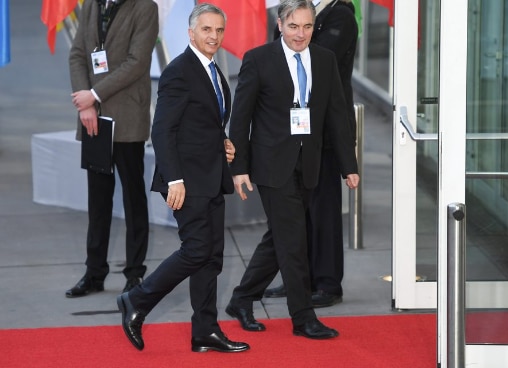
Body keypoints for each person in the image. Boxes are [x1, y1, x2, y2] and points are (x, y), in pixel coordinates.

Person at [116, 3, 249, 353]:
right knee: (196, 250)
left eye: (219, 30)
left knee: (212, 256)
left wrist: (223, 144)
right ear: (191, 32)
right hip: (186, 182)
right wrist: (174, 179)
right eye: (206, 30)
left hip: (210, 175)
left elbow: (203, 123)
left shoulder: (213, 71)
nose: (214, 37)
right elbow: (162, 130)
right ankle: (137, 300)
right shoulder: (179, 71)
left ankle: (205, 331)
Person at [225, 0, 360, 339]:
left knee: (282, 237)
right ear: (281, 25)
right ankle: (303, 317)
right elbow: (239, 119)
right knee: (294, 240)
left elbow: (336, 115)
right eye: (294, 26)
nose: (301, 34)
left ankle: (241, 298)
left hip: (311, 162)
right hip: (272, 165)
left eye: (308, 26)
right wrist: (239, 167)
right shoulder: (258, 59)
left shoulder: (325, 60)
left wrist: (348, 166)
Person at [264, 0, 359, 308]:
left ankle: (329, 283)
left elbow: (312, 55)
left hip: (328, 129)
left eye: (303, 26)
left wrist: (293, 29)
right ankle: (299, 279)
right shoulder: (302, 11)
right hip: (297, 127)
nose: (299, 31)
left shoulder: (340, 15)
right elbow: (275, 53)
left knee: (324, 210)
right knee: (298, 210)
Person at [66, 0, 158, 297]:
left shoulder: (145, 7)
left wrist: (92, 94)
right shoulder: (92, 4)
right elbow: (78, 54)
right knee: (98, 200)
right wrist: (86, 105)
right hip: (94, 119)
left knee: (133, 198)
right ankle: (94, 273)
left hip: (127, 117)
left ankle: (135, 273)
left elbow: (137, 62)